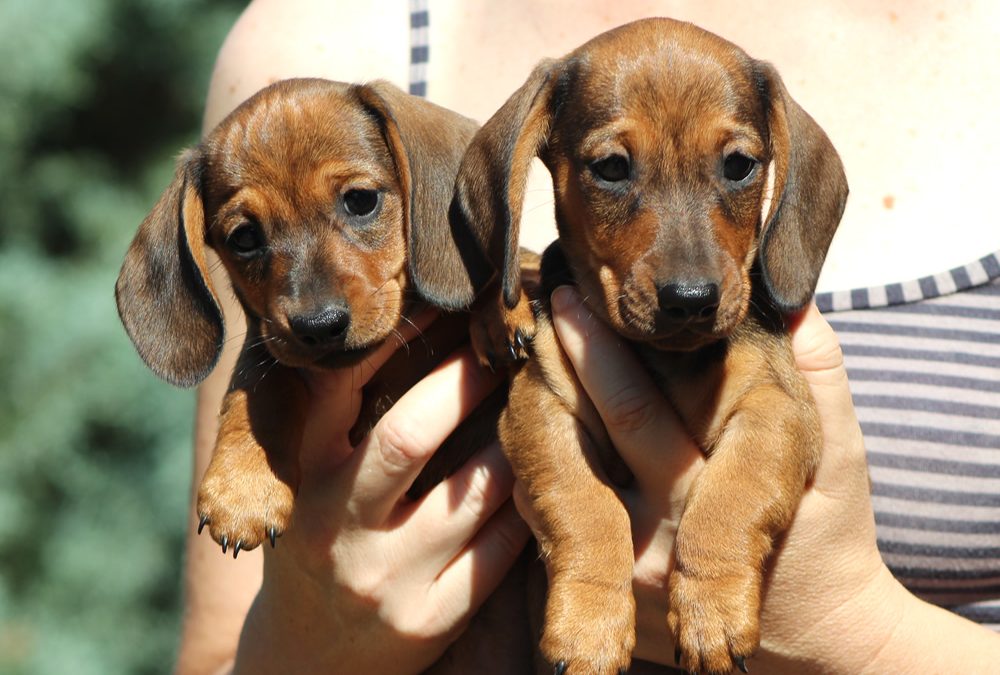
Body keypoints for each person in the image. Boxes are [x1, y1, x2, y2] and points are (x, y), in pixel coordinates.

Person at [173, 1, 1000, 673]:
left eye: (738, 167)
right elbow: (219, 656)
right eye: (612, 168)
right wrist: (306, 635)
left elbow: (775, 427)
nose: (688, 278)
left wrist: (860, 634)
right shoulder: (321, 36)